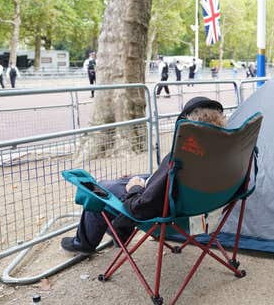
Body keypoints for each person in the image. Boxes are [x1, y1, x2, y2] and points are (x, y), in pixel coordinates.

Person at [61, 97, 226, 253]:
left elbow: (141, 207)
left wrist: (135, 187)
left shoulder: (180, 157)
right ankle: (120, 231)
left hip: (168, 215)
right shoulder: (222, 155)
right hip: (203, 215)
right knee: (126, 181)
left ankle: (84, 242)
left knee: (101, 189)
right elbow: (166, 180)